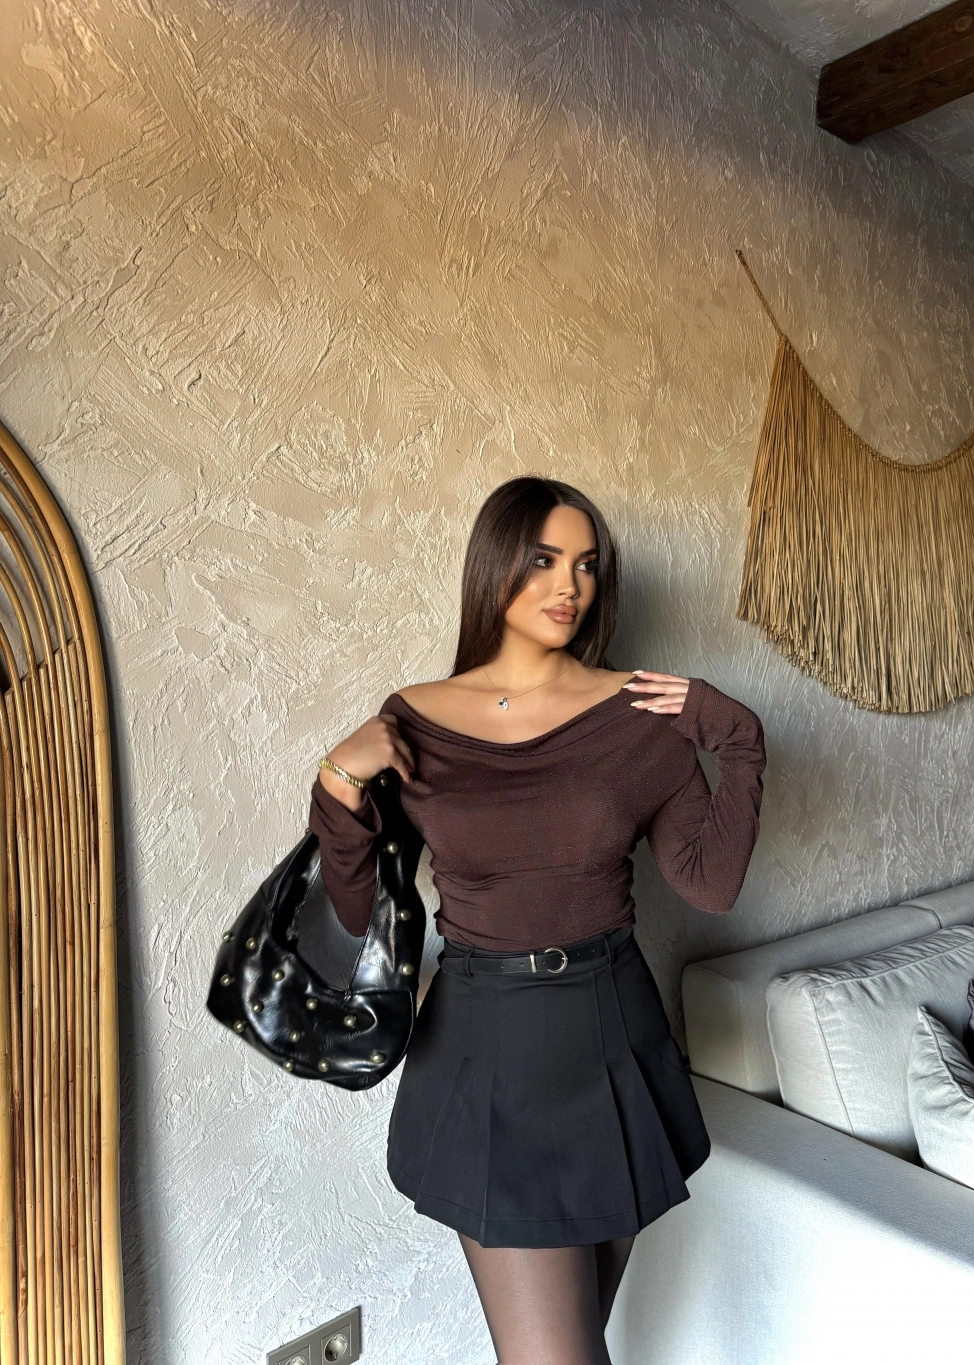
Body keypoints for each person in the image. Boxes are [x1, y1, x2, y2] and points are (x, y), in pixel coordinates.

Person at [308, 475, 766, 1365]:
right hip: (487, 1048)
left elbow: (709, 884)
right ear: (497, 564)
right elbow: (354, 910)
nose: (570, 585)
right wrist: (340, 779)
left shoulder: (640, 715)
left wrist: (739, 741)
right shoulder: (417, 720)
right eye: (546, 560)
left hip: (613, 1036)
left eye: (587, 565)